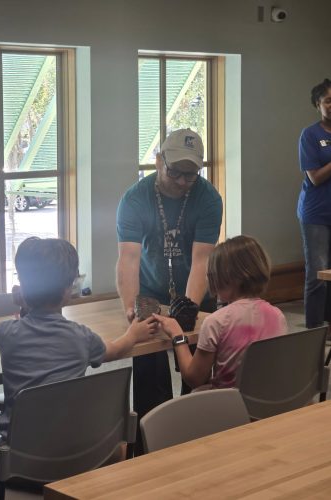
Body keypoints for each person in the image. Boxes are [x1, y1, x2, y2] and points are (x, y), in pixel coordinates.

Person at [0, 237, 157, 449]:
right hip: (75, 459)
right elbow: (115, 350)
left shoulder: (5, 333)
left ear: (22, 289)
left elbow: (23, 333)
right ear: (68, 290)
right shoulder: (82, 338)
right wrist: (133, 334)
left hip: (16, 463)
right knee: (119, 450)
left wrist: (25, 301)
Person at [116, 128, 223, 452]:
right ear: (158, 160)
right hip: (149, 290)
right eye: (175, 172)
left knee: (197, 373)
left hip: (194, 291)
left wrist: (187, 309)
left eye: (191, 175)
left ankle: (192, 439)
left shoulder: (208, 198)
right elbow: (129, 259)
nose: (182, 181)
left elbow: (202, 258)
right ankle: (151, 443)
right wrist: (132, 308)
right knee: (149, 370)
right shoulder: (135, 198)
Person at [153, 235, 288, 390]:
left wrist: (177, 336)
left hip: (228, 407)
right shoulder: (277, 316)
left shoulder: (217, 321)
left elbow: (194, 378)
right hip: (267, 402)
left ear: (226, 276)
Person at [297, 78, 331, 330]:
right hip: (316, 214)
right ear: (318, 105)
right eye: (328, 101)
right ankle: (314, 330)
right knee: (317, 274)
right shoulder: (310, 135)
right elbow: (315, 177)